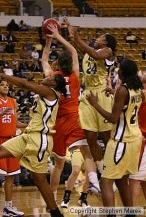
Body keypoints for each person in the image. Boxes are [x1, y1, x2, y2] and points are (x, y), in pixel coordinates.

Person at [42, 23, 100, 204]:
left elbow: (43, 60)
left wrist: (48, 43)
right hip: (75, 118)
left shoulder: (53, 77)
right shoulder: (75, 75)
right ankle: (95, 182)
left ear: (58, 63)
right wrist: (58, 36)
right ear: (70, 64)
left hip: (58, 123)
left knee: (58, 166)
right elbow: (74, 52)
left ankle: (51, 199)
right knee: (87, 153)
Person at [0, 70, 67, 217]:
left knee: (39, 180)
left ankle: (56, 213)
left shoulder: (51, 92)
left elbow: (24, 83)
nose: (46, 77)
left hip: (39, 140)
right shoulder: (48, 92)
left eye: (50, 77)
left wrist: (4, 76)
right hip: (28, 136)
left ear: (54, 84)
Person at [86, 58, 143, 211]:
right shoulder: (136, 88)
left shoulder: (123, 90)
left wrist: (94, 103)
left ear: (123, 72)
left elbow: (113, 118)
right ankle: (130, 213)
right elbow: (127, 103)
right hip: (135, 139)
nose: (117, 70)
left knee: (105, 182)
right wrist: (114, 92)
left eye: (119, 69)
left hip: (121, 142)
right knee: (122, 180)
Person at [64, 17, 117, 164]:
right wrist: (70, 30)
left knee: (106, 135)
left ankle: (114, 166)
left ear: (105, 41)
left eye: (100, 37)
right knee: (90, 136)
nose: (96, 39)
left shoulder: (108, 51)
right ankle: (101, 170)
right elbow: (76, 43)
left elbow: (96, 55)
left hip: (102, 93)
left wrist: (77, 36)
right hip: (87, 93)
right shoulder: (90, 50)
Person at [0, 79, 27, 216]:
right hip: (0, 140)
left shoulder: (12, 101)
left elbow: (15, 122)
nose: (5, 87)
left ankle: (7, 207)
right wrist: (1, 114)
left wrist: (29, 126)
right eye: (2, 85)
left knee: (10, 176)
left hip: (11, 141)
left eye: (7, 85)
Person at [129, 74, 146, 206]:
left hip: (142, 142)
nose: (142, 73)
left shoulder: (142, 94)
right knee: (144, 180)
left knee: (134, 179)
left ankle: (131, 213)